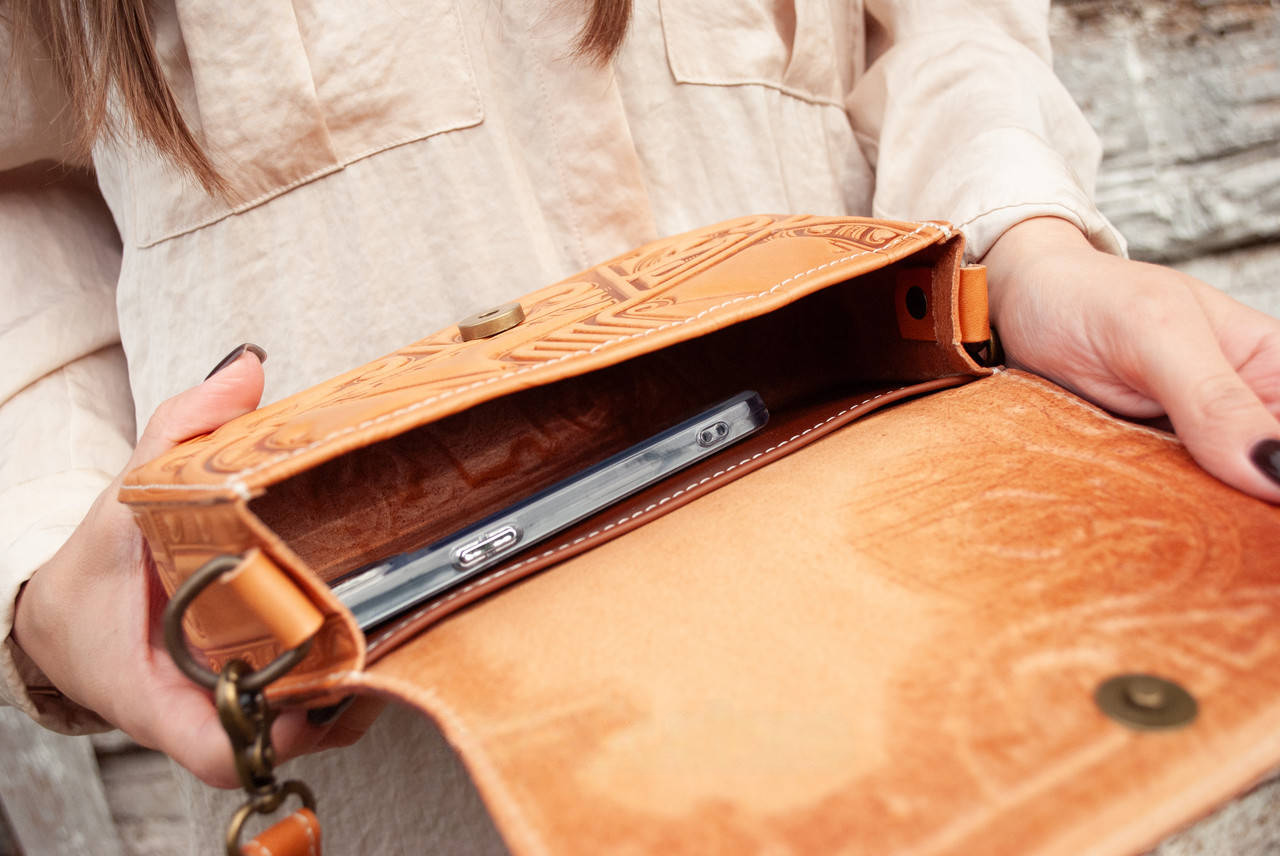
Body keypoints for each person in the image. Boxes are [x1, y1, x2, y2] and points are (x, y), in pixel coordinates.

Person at [3, 0, 1279, 852]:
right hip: (403, 738)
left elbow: (944, 28)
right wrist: (53, 570)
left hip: (914, 624)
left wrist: (1020, 243)